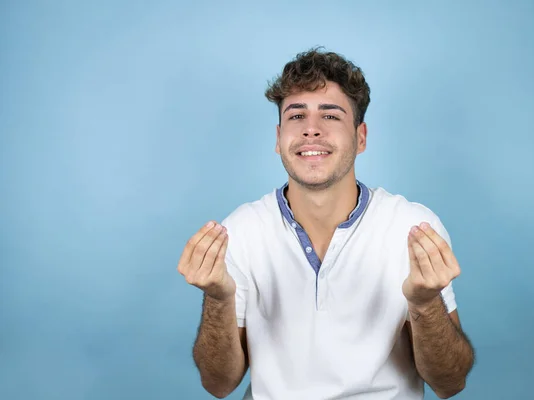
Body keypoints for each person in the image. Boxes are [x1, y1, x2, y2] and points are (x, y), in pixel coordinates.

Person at [177, 47, 475, 400]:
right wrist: (218, 298)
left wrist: (425, 304)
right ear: (278, 138)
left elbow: (449, 382)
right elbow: (218, 384)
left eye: (330, 116)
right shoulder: (240, 231)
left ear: (360, 137)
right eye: (296, 116)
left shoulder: (412, 228)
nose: (311, 130)